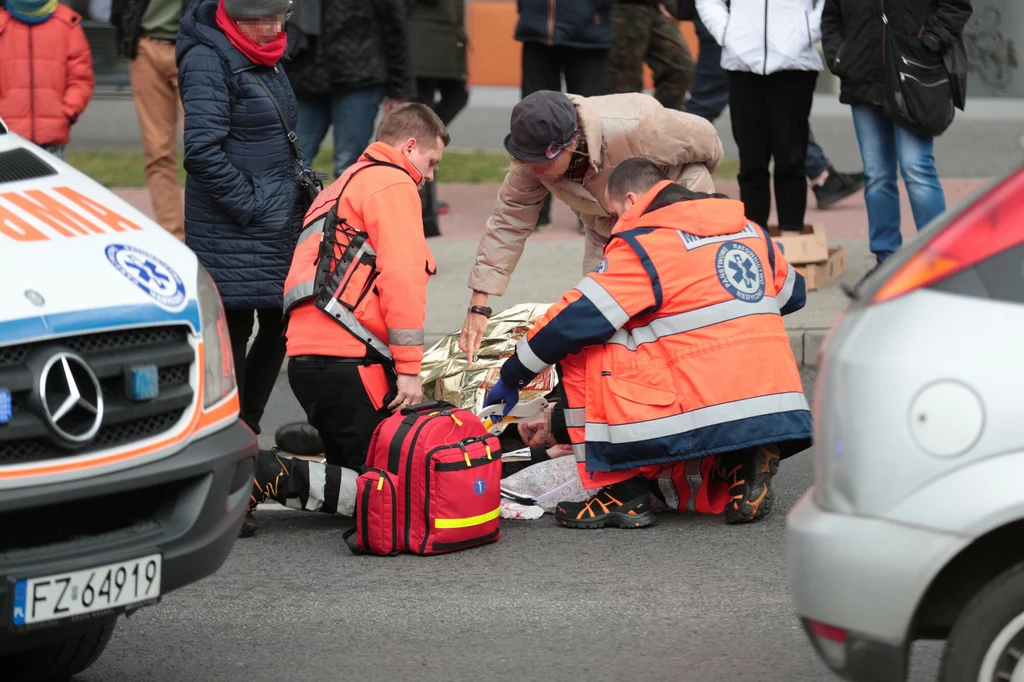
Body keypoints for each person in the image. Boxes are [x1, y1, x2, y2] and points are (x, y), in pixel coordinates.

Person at [484, 158, 812, 528]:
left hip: (706, 394)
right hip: (768, 399)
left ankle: (620, 491)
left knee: (587, 347)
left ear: (630, 199)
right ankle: (737, 459)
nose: (614, 223)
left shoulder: (647, 244)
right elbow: (793, 294)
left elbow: (570, 322)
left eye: (614, 213)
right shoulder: (748, 230)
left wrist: (512, 376)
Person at [241, 103, 449, 537]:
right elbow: (403, 277)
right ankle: (264, 470)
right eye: (430, 163)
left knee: (355, 481)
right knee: (393, 496)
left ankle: (308, 452)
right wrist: (410, 369)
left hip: (310, 360)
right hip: (351, 363)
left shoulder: (339, 186)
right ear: (409, 146)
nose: (429, 177)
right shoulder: (392, 184)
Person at [458, 89, 724, 361]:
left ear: (570, 143)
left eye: (540, 163)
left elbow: (708, 143)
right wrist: (478, 306)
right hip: (607, 228)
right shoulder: (534, 161)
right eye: (526, 161)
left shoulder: (641, 123)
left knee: (680, 304)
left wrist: (677, 197)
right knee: (602, 315)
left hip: (678, 206)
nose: (533, 171)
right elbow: (508, 222)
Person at [177, 0, 301, 434]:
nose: (275, 27)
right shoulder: (207, 60)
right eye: (265, 18)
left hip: (271, 221)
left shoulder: (264, 53)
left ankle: (246, 426)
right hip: (233, 223)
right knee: (234, 331)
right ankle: (235, 434)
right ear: (236, 17)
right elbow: (202, 152)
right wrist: (253, 204)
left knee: (281, 324)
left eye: (281, 16)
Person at [821, 0, 971, 265]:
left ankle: (938, 260)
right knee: (877, 175)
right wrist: (840, 56)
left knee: (917, 169)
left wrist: (931, 41)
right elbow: (831, 16)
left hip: (913, 76)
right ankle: (885, 259)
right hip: (862, 79)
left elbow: (956, 5)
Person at [684, 9, 864, 210]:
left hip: (771, 35)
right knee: (705, 104)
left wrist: (806, 29)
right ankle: (665, 173)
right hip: (735, 28)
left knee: (784, 114)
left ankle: (820, 174)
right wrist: (728, 32)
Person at [696, 0, 824, 234]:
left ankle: (792, 238)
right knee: (751, 161)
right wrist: (728, 33)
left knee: (791, 158)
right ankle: (754, 240)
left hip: (795, 66)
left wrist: (806, 31)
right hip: (741, 66)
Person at [284, 0, 414, 179]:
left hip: (359, 78)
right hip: (305, 78)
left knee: (348, 165)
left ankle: (344, 207)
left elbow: (394, 26)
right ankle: (298, 207)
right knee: (293, 161)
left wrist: (399, 90)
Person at [515, 0, 613, 229]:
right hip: (537, 28)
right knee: (534, 120)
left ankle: (593, 206)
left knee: (593, 123)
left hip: (589, 31)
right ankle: (536, 208)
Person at [111, 0, 194, 240]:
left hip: (193, 48)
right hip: (146, 47)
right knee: (157, 151)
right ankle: (174, 236)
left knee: (202, 149)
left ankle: (206, 235)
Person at [0, 0, 95, 161]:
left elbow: (81, 79)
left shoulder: (67, 23)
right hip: (6, 140)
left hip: (52, 140)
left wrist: (67, 113)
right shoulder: (2, 23)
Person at [409, 0, 469, 238]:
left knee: (424, 135)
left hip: (441, 52)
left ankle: (424, 210)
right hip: (420, 55)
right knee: (420, 138)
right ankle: (422, 214)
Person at [607, 0, 695, 111]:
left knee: (680, 68)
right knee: (625, 80)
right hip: (623, 7)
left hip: (657, 6)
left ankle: (661, 122)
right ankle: (625, 125)